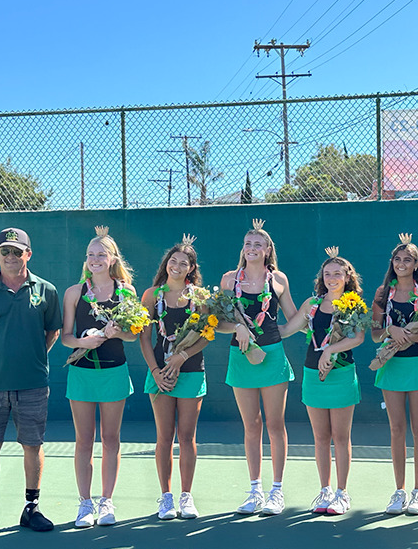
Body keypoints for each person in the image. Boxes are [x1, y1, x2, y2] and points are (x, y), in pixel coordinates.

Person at [0, 228, 62, 539]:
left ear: (28, 254)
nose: (10, 256)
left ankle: (31, 508)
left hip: (32, 384)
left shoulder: (46, 291)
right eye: (5, 251)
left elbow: (53, 332)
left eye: (17, 251)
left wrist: (30, 358)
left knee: (32, 446)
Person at [61, 226, 139, 528]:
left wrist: (115, 332)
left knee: (110, 439)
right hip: (82, 375)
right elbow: (66, 337)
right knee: (84, 440)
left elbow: (134, 336)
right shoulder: (73, 293)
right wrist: (83, 342)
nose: (95, 259)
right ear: (86, 260)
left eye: (101, 254)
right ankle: (84, 504)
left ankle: (107, 502)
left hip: (114, 373)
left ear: (112, 258)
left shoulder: (126, 292)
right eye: (91, 255)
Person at [219, 219, 297, 516]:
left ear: (267, 250)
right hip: (240, 358)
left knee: (275, 425)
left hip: (273, 357)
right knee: (251, 425)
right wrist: (237, 326)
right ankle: (255, 491)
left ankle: (276, 492)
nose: (251, 248)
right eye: (247, 244)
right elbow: (218, 321)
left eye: (257, 244)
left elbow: (291, 318)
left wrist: (277, 335)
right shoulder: (229, 279)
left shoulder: (278, 280)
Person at [280, 248, 365, 516]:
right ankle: (325, 490)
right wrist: (248, 325)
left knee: (341, 437)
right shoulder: (311, 304)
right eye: (327, 274)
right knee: (320, 437)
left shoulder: (355, 305)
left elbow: (359, 338)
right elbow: (285, 329)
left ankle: (342, 493)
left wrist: (330, 350)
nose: (331, 278)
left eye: (337, 273)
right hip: (313, 375)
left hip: (341, 374)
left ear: (347, 276)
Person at [139, 236, 208, 521]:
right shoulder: (151, 295)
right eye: (173, 261)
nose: (177, 266)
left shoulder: (200, 297)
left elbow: (206, 335)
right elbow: (143, 338)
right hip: (160, 375)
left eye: (184, 263)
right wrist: (157, 371)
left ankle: (186, 497)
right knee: (164, 437)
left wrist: (182, 357)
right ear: (166, 264)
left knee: (187, 437)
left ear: (191, 269)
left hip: (191, 372)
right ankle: (166, 498)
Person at [371, 233, 418, 516]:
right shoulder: (382, 294)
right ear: (392, 263)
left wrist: (412, 336)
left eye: (407, 259)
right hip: (391, 368)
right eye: (398, 259)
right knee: (397, 429)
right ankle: (399, 491)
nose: (402, 263)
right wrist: (391, 331)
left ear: (416, 263)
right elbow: (375, 335)